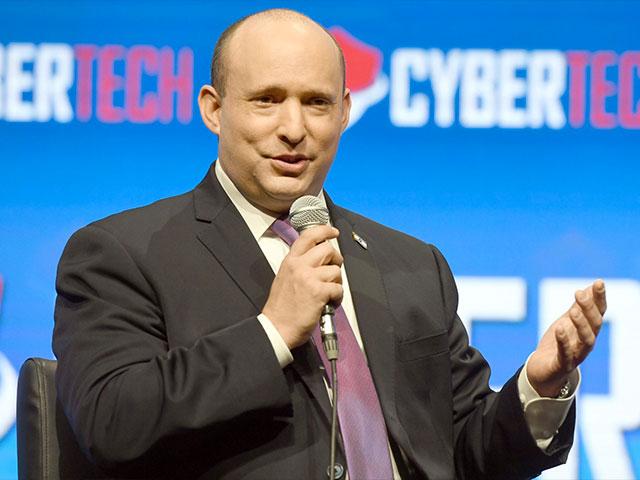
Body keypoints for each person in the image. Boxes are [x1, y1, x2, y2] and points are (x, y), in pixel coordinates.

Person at [53, 8, 606, 480]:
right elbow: (111, 422)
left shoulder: (412, 266)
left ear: (344, 112)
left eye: (316, 103)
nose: (294, 128)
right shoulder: (122, 254)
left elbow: (466, 452)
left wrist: (540, 386)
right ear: (214, 109)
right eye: (267, 100)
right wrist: (272, 332)